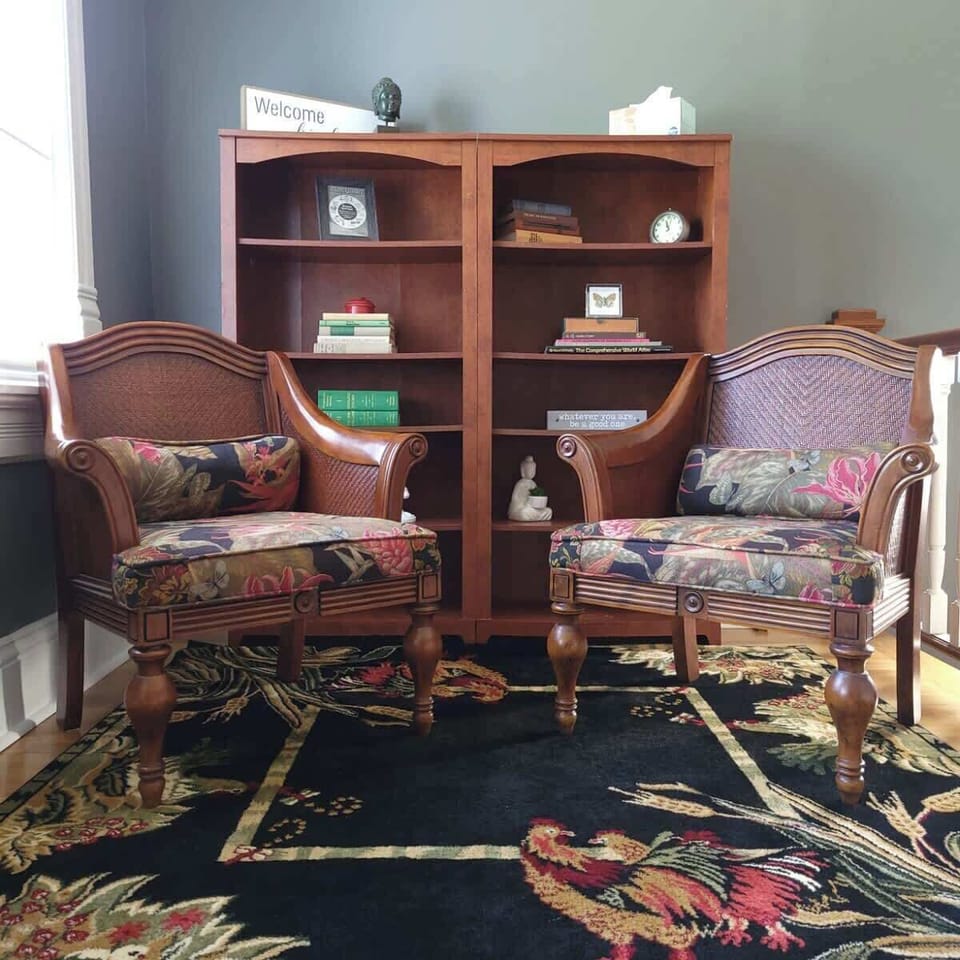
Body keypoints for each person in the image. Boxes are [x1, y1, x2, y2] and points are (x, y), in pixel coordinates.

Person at [508, 455, 552, 522]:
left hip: (532, 509)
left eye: (533, 470)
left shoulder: (533, 483)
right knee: (524, 513)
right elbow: (515, 501)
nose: (531, 472)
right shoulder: (520, 484)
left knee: (548, 511)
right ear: (523, 470)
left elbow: (536, 497)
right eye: (529, 469)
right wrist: (526, 505)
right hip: (521, 509)